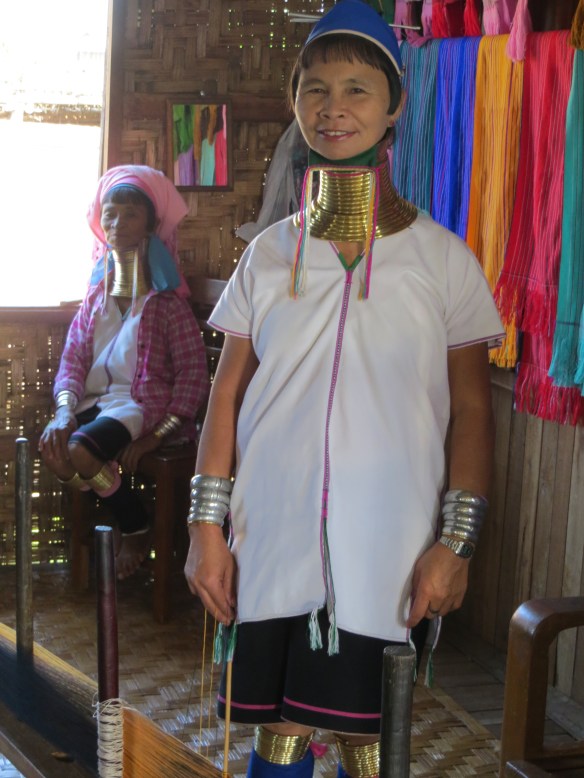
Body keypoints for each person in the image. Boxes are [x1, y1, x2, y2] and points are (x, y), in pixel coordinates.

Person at [184, 2, 504, 777]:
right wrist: (205, 529)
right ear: (296, 99)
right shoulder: (267, 257)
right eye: (316, 88)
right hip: (270, 537)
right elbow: (225, 397)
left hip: (387, 551)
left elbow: (470, 409)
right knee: (276, 742)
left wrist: (456, 544)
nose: (334, 108)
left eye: (358, 89)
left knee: (372, 747)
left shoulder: (443, 261)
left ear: (395, 105)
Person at [39, 165, 209, 580]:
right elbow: (72, 361)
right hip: (96, 404)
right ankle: (109, 496)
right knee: (56, 449)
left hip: (139, 409)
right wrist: (64, 410)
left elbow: (193, 374)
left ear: (151, 226)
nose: (117, 223)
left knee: (79, 451)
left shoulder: (167, 304)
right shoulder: (97, 297)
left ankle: (136, 526)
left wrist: (157, 435)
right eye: (110, 214)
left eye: (130, 214)